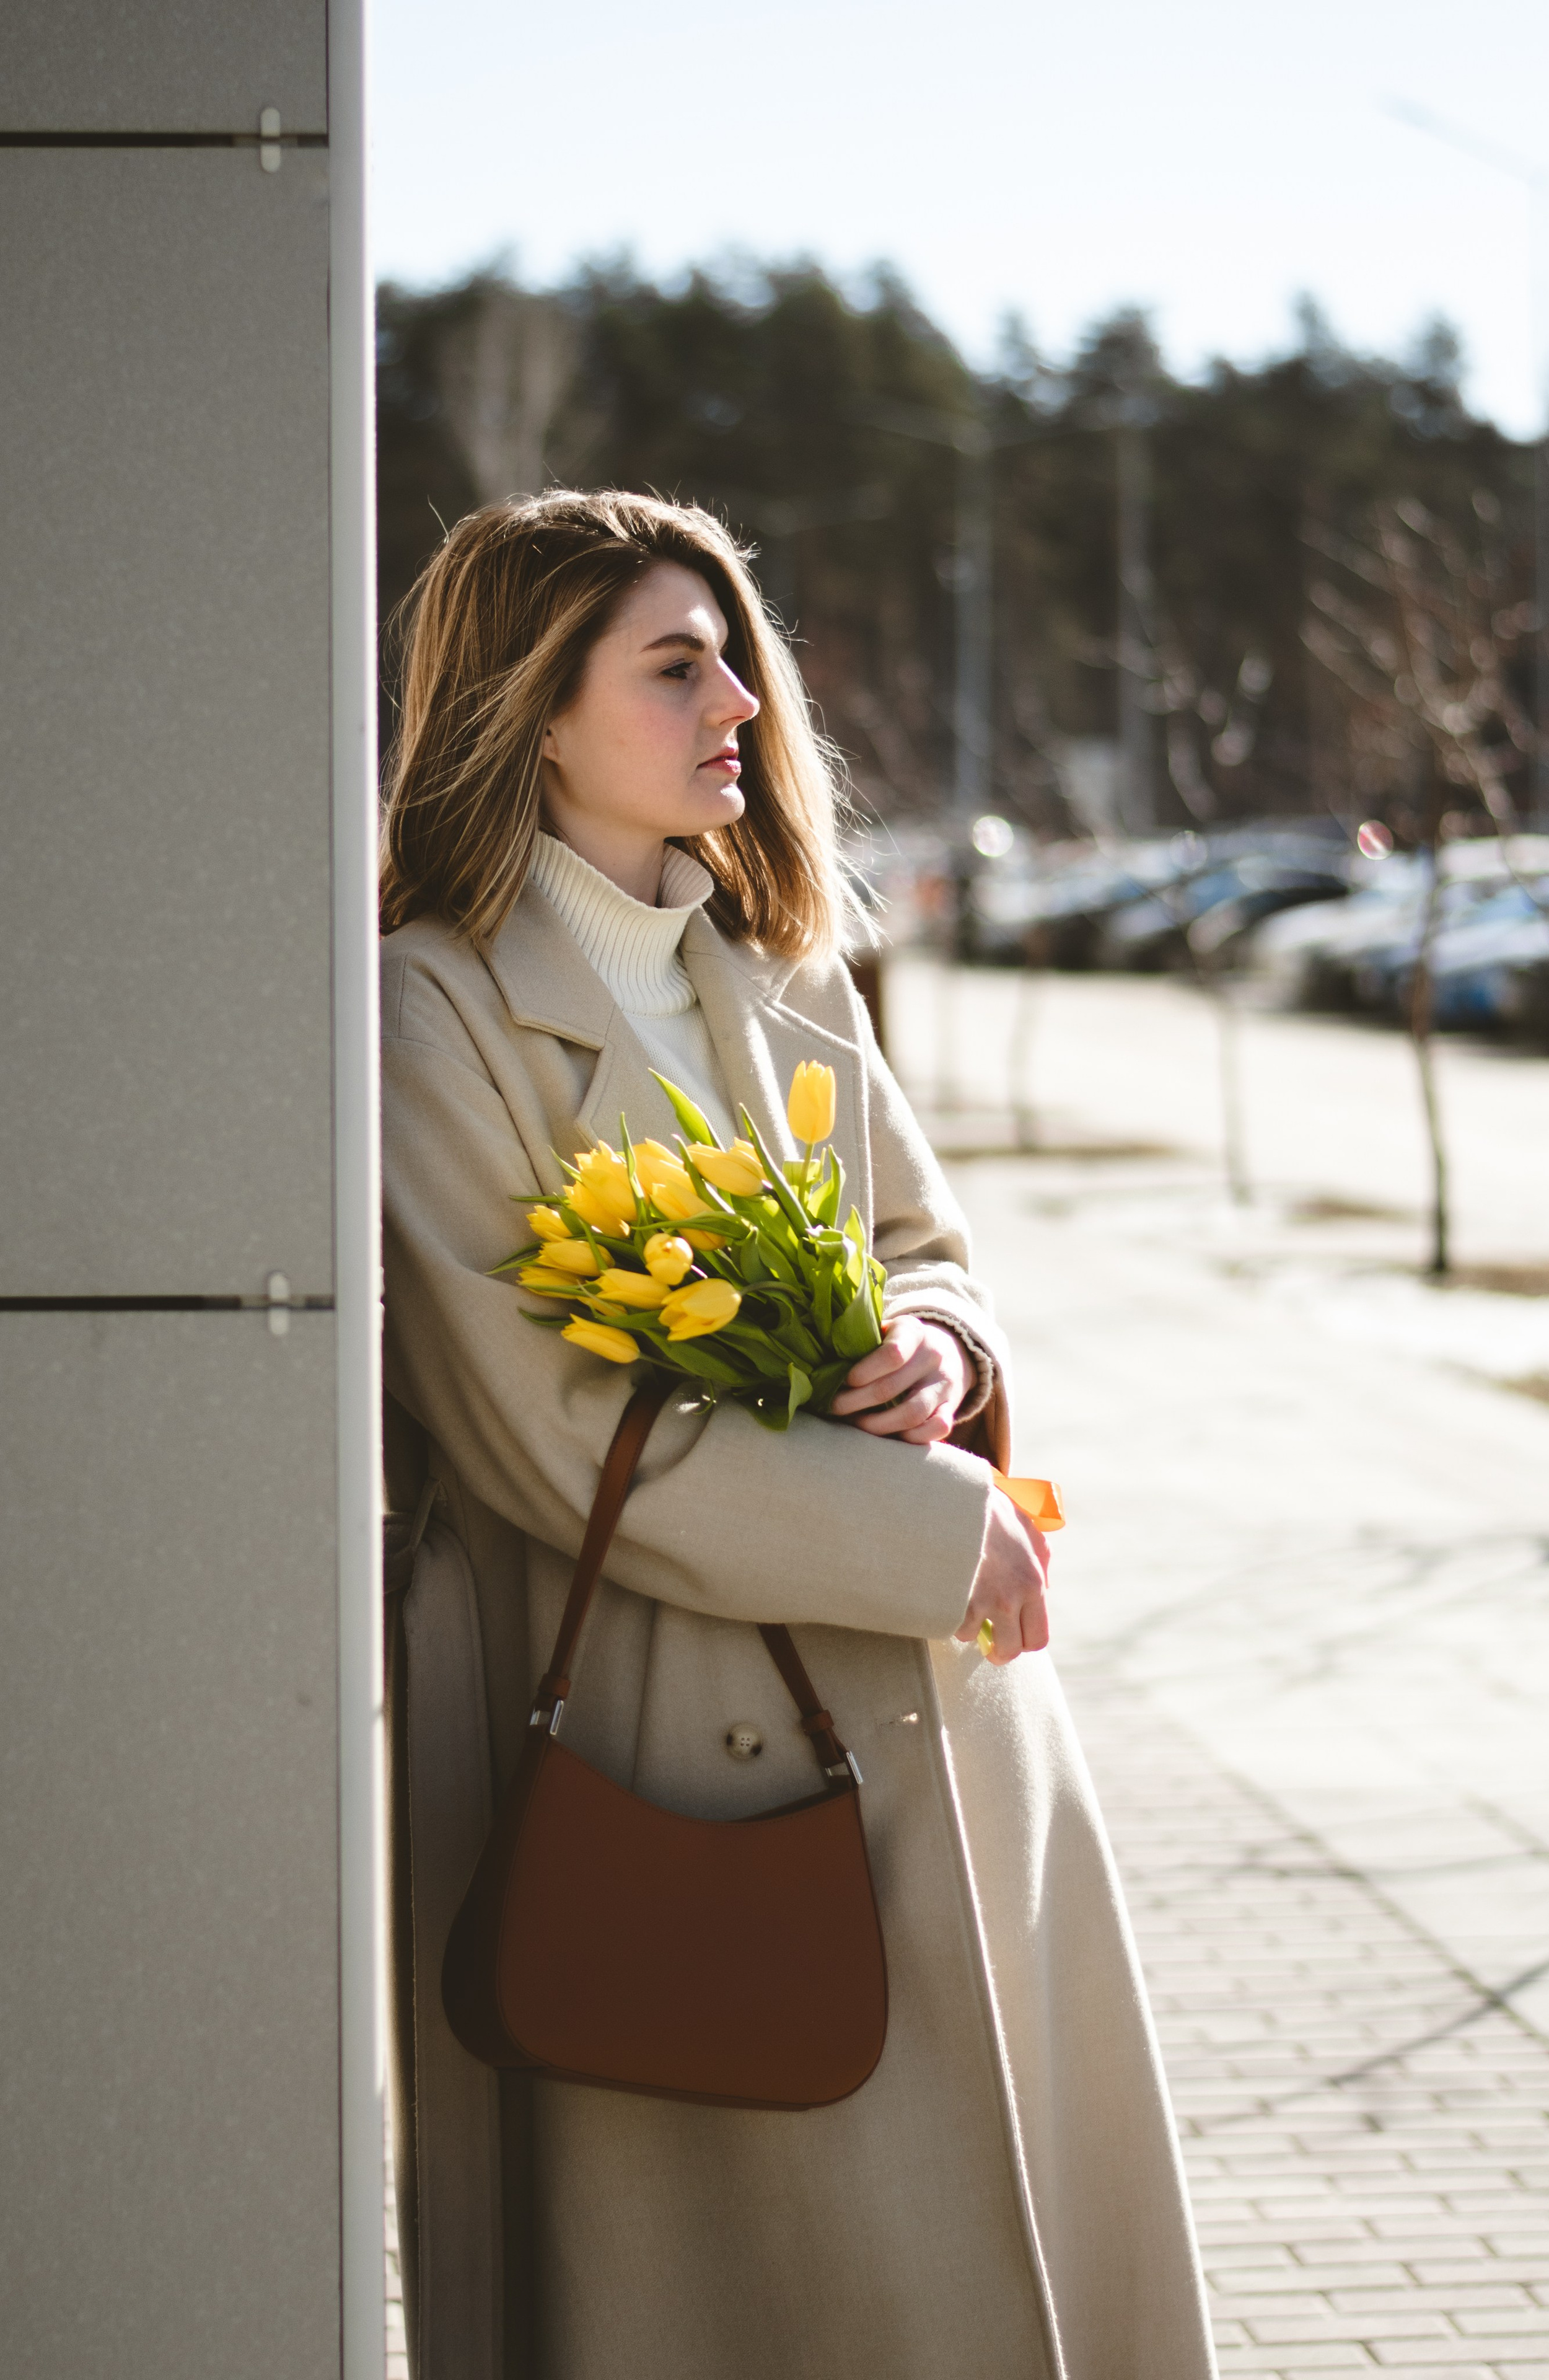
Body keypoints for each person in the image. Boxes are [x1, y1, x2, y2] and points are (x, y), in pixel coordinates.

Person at [380, 490, 1215, 2380]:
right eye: (677, 667)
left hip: (949, 1743)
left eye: (737, 660)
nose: (742, 703)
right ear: (534, 711)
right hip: (667, 1753)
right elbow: (544, 1431)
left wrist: (936, 1348)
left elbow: (932, 1249)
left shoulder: (778, 969)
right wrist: (933, 1535)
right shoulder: (434, 1011)